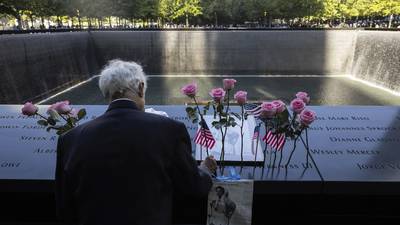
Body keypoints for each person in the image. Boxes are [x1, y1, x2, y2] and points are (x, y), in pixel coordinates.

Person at [55, 59, 217, 225]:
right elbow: (193, 187)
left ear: (106, 93)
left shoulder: (70, 139)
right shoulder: (169, 130)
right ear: (140, 88)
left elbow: (64, 209)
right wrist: (205, 168)